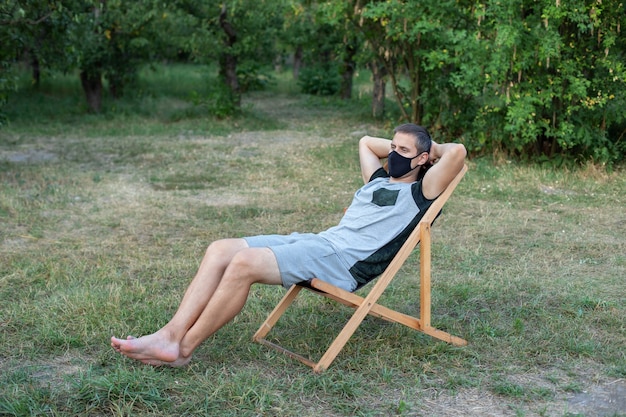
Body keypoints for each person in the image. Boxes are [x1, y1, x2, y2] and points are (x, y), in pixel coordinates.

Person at [111, 123, 467, 367]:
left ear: (422, 160)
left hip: (342, 263)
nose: (393, 154)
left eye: (404, 151)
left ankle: (183, 348)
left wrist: (429, 149)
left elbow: (458, 152)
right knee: (221, 248)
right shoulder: (378, 178)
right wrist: (402, 145)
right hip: (321, 242)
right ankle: (170, 333)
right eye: (392, 146)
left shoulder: (422, 192)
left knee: (244, 263)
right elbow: (364, 142)